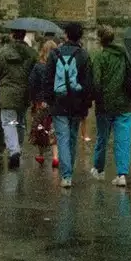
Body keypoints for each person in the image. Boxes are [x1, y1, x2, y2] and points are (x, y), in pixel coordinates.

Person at [90, 24, 131, 186]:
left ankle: (99, 169)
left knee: (102, 138)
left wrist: (96, 98)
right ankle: (122, 174)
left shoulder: (100, 57)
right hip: (124, 105)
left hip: (105, 105)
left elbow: (96, 82)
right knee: (123, 141)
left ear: (100, 40)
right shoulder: (124, 55)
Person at [44, 22, 94, 187]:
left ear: (66, 35)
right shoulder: (84, 55)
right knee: (72, 138)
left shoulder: (54, 54)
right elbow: (87, 83)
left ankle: (66, 176)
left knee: (63, 138)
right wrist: (86, 105)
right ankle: (68, 172)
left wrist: (49, 100)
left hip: (59, 101)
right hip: (77, 101)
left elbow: (48, 79)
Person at [0, 27, 36, 168]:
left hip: (7, 92)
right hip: (24, 92)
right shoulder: (32, 54)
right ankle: (18, 147)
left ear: (12, 35)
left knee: (9, 121)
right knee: (20, 121)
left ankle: (13, 150)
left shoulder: (3, 53)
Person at [28, 36, 59, 166]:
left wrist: (33, 100)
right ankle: (55, 156)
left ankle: (41, 155)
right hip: (56, 102)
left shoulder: (38, 66)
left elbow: (31, 83)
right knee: (53, 128)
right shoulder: (59, 66)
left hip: (41, 102)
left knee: (40, 128)